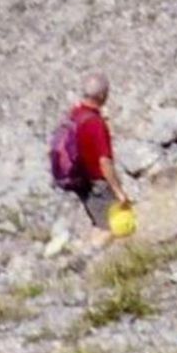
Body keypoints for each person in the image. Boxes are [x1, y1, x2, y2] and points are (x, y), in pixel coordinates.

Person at [65, 72, 132, 235]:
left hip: (80, 181)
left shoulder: (74, 114)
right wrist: (119, 192)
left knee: (99, 224)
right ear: (102, 95)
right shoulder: (96, 123)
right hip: (97, 184)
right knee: (116, 228)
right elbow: (104, 162)